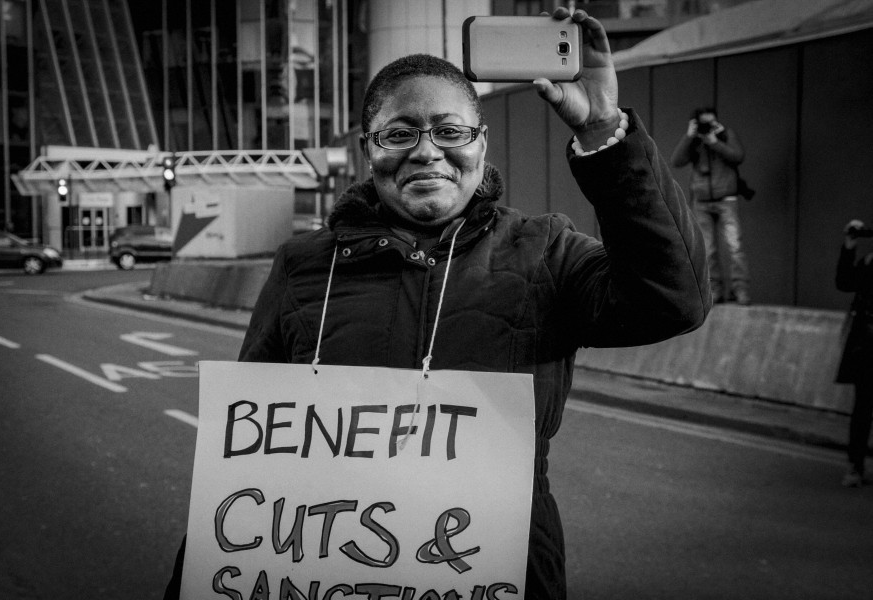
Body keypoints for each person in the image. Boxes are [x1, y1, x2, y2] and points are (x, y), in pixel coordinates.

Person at [164, 7, 710, 599]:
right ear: (367, 148)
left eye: (449, 131)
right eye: (400, 133)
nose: (426, 152)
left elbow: (672, 300)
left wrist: (604, 131)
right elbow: (246, 463)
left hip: (499, 574)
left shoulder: (545, 252)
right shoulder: (302, 268)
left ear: (481, 144)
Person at [671, 107, 750, 305]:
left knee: (734, 246)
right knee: (708, 249)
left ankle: (740, 290)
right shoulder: (695, 140)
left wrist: (716, 143)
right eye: (704, 124)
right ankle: (715, 290)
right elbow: (677, 161)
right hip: (702, 202)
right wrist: (690, 136)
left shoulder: (725, 135)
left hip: (726, 199)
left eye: (711, 122)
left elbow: (738, 156)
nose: (708, 127)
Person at [835, 219, 873, 488]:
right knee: (863, 406)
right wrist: (850, 246)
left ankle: (855, 465)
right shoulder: (870, 261)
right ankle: (855, 465)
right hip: (867, 342)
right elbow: (845, 282)